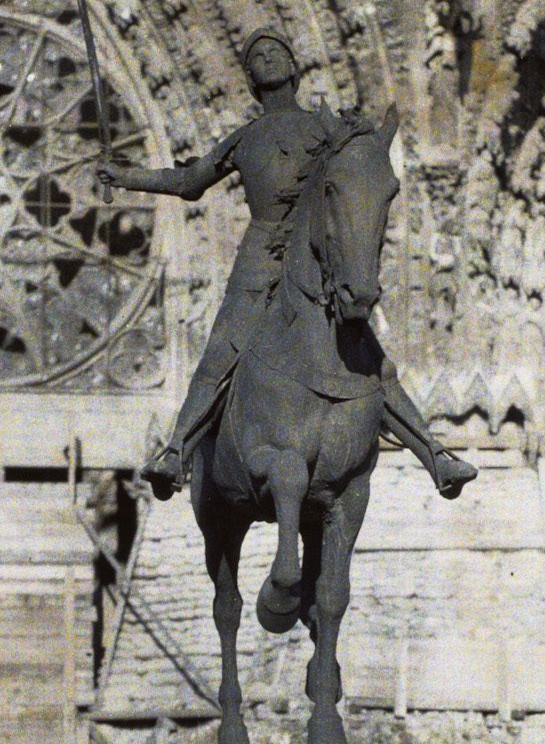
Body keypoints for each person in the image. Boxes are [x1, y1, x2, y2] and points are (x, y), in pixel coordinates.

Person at [104, 28, 476, 502]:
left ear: (294, 67)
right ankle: (176, 451)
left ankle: (435, 455)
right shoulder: (246, 137)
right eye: (257, 55)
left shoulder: (324, 127)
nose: (267, 57)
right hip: (259, 258)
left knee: (371, 361)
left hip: (317, 260)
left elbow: (358, 168)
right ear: (249, 78)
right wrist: (126, 176)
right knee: (221, 349)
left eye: (276, 51)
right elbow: (189, 181)